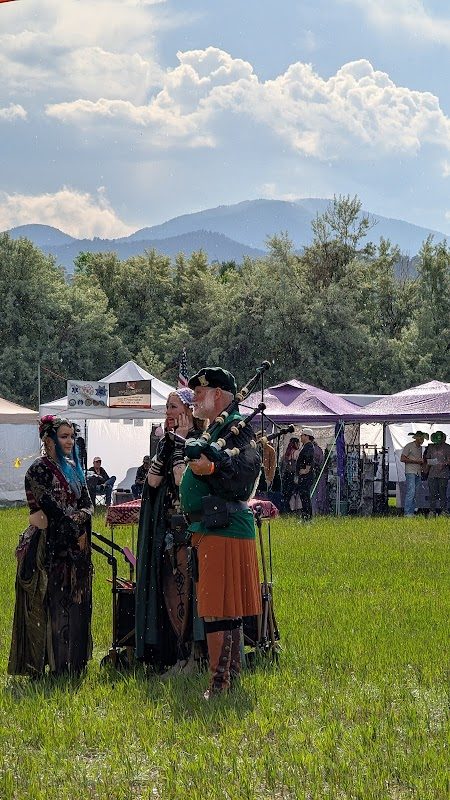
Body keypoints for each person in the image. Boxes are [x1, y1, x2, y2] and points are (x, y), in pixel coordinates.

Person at [179, 367, 262, 699]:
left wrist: (212, 468)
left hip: (224, 527)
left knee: (219, 607)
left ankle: (220, 682)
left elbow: (245, 475)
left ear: (220, 395)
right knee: (223, 606)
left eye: (201, 393)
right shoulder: (218, 428)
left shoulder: (237, 430)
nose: (195, 399)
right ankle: (229, 677)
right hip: (213, 527)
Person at [8, 415, 94, 677]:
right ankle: (52, 666)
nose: (70, 441)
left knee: (77, 602)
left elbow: (89, 505)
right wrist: (74, 527)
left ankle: (74, 664)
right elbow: (51, 510)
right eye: (64, 436)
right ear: (48, 439)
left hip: (77, 545)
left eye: (71, 436)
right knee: (51, 605)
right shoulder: (38, 470)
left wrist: (79, 522)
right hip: (48, 546)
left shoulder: (75, 468)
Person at [135, 389, 206, 673]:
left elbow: (181, 480)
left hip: (191, 532)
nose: (167, 413)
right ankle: (174, 653)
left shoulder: (201, 442)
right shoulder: (169, 442)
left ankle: (194, 654)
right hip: (166, 531)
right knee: (170, 589)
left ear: (188, 410)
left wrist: (178, 446)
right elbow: (152, 482)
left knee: (190, 593)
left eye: (173, 407)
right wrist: (166, 447)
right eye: (166, 407)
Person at [400, 431, 428, 517]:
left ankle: (411, 512)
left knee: (415, 492)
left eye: (423, 439)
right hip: (410, 471)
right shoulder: (409, 446)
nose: (423, 440)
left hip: (418, 472)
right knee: (411, 491)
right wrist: (416, 461)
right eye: (421, 439)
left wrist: (422, 464)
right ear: (417, 438)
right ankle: (407, 512)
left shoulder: (420, 448)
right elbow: (402, 458)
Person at [424, 431, 450, 516]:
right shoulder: (430, 447)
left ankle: (444, 511)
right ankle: (432, 511)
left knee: (443, 493)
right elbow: (427, 459)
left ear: (443, 439)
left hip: (444, 474)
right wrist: (426, 470)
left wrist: (444, 463)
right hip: (432, 474)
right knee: (432, 494)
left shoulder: (448, 447)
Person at [295, 427, 315, 521]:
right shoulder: (306, 446)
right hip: (304, 475)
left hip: (306, 476)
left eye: (302, 435)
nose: (301, 437)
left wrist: (306, 470)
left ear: (307, 436)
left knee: (305, 496)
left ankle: (307, 517)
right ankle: (306, 516)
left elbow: (309, 459)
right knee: (304, 496)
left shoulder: (309, 447)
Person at [280, 436, 300, 512]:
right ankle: (292, 510)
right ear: (295, 443)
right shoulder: (296, 453)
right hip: (293, 475)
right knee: (294, 494)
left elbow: (282, 466)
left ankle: (285, 509)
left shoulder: (286, 454)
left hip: (286, 476)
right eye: (298, 443)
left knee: (286, 495)